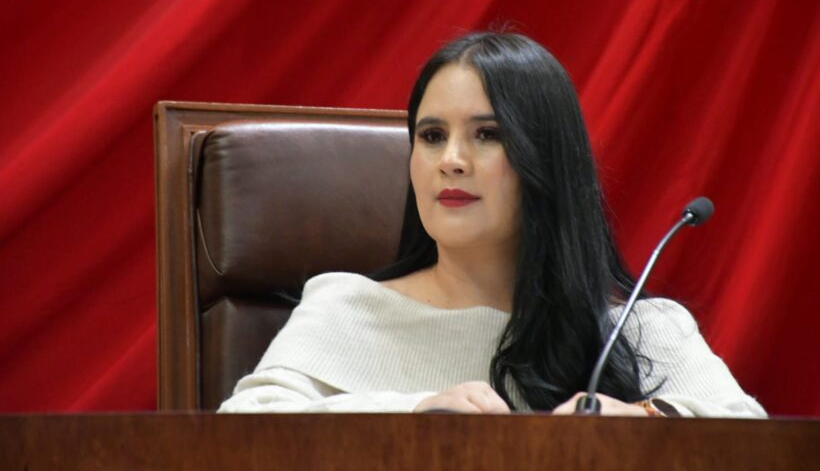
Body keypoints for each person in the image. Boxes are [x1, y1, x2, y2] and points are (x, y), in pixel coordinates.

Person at [218, 32, 766, 417]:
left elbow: (752, 436)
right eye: (432, 136)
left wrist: (644, 419)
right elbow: (244, 429)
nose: (451, 160)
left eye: (487, 135)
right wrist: (416, 411)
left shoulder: (641, 329)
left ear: (546, 162)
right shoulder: (347, 308)